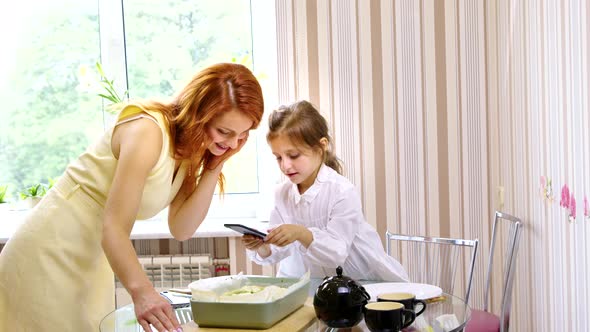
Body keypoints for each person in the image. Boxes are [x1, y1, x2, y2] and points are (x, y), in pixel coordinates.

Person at [0, 63, 264, 332]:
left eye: (243, 135)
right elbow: (114, 228)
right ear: (198, 114)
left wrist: (216, 163)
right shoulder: (147, 132)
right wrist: (144, 293)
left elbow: (182, 228)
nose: (233, 144)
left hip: (91, 256)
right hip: (50, 248)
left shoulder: (189, 149)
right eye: (224, 132)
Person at [243, 100, 408, 282]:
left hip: (361, 281)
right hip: (313, 286)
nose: (285, 165)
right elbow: (279, 250)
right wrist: (262, 246)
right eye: (278, 157)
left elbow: (336, 253)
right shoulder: (281, 194)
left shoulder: (342, 191)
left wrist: (301, 233)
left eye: (293, 155)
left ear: (321, 146)